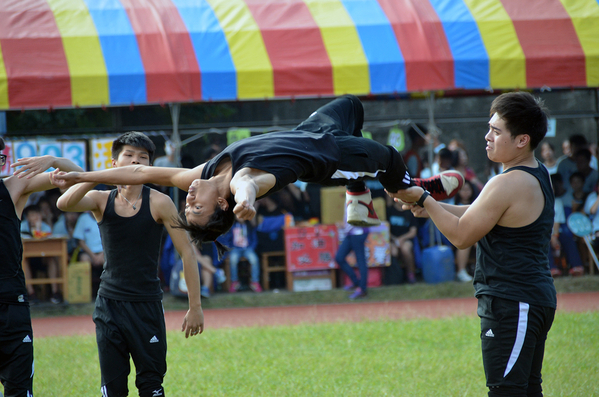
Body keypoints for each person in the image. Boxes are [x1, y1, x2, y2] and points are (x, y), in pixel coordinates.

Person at [53, 95, 464, 254]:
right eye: (196, 208)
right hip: (333, 154)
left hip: (314, 130)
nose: (188, 199)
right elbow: (249, 185)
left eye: (187, 204)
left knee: (352, 105)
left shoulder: (202, 173)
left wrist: (79, 175)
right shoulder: (237, 183)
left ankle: (358, 192)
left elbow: (140, 173)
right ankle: (417, 194)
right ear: (222, 203)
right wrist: (247, 200)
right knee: (391, 162)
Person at [390, 91, 557, 397]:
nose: (487, 136)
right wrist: (429, 208)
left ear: (521, 140)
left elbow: (462, 235)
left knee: (506, 391)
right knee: (526, 390)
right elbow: (480, 215)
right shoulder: (535, 173)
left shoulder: (507, 182)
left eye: (496, 131)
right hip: (526, 298)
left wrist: (425, 198)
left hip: (513, 300)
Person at [54, 131, 204, 397]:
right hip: (109, 306)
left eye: (142, 158)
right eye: (129, 156)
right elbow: (64, 202)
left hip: (146, 305)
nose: (136, 162)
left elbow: (187, 253)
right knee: (113, 388)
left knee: (151, 385)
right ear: (114, 163)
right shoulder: (101, 200)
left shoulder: (160, 202)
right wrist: (96, 178)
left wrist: (195, 307)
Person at [0, 139, 83, 397]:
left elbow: (79, 175)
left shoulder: (13, 187)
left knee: (19, 389)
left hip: (12, 305)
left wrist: (52, 161)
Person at [20, 204, 63, 304]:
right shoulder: (21, 226)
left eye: (37, 215)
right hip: (28, 258)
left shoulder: (45, 226)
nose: (35, 218)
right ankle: (31, 294)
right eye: (32, 215)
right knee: (23, 261)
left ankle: (55, 292)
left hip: (42, 257)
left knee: (52, 259)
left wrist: (38, 228)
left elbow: (48, 239)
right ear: (27, 217)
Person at [335, 200, 370, 300]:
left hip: (358, 231)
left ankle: (362, 289)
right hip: (351, 232)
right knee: (339, 257)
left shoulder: (357, 191)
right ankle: (356, 283)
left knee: (360, 260)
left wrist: (346, 227)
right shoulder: (350, 192)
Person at [219, 219, 262, 293]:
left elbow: (254, 239)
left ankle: (255, 281)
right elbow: (227, 239)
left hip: (248, 248)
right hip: (235, 249)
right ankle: (235, 281)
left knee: (254, 259)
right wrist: (229, 249)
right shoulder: (231, 226)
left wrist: (252, 247)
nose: (241, 217)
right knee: (233, 260)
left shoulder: (249, 226)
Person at [386, 195, 419, 284]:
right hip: (392, 239)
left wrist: (401, 239)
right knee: (393, 251)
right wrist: (394, 239)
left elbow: (413, 232)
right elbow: (385, 229)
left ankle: (411, 273)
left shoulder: (410, 211)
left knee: (405, 249)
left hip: (406, 239)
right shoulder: (389, 210)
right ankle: (396, 276)